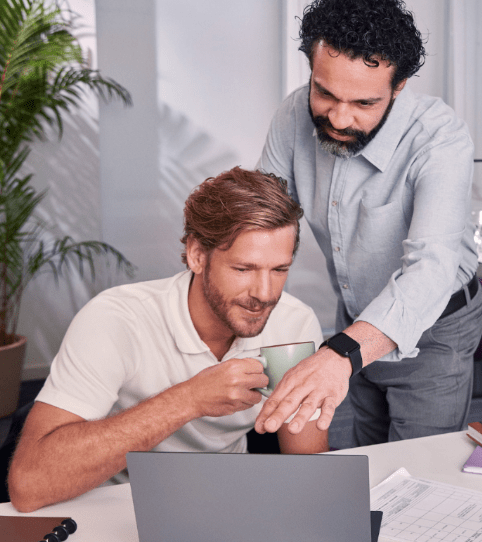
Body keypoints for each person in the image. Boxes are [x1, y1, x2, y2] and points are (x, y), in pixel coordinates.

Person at [9, 168, 327, 513]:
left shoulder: (294, 324)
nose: (264, 295)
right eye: (243, 269)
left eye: (279, 270)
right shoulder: (116, 320)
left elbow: (309, 471)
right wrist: (188, 399)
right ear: (197, 255)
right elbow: (29, 484)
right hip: (115, 507)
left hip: (228, 503)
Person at [256, 0, 482, 445]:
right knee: (370, 450)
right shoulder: (291, 115)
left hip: (435, 326)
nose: (339, 119)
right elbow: (262, 219)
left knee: (419, 465)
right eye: (325, 94)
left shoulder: (439, 139)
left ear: (398, 86)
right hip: (356, 312)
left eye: (364, 103)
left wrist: (340, 354)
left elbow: (431, 269)